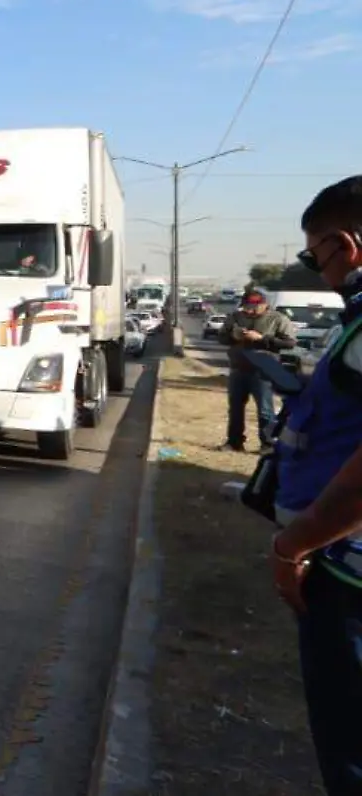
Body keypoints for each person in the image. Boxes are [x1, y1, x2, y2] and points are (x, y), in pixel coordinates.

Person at [265, 176, 362, 795]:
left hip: (347, 575)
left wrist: (292, 545)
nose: (316, 269)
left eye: (313, 254)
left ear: (346, 246)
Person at [223, 288, 297, 452]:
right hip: (239, 367)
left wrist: (262, 338)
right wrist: (233, 336)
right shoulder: (236, 317)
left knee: (265, 409)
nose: (249, 310)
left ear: (264, 305)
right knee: (235, 407)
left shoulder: (277, 319)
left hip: (264, 369)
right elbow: (222, 337)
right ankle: (234, 442)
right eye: (246, 306)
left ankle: (267, 443)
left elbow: (290, 343)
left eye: (253, 306)